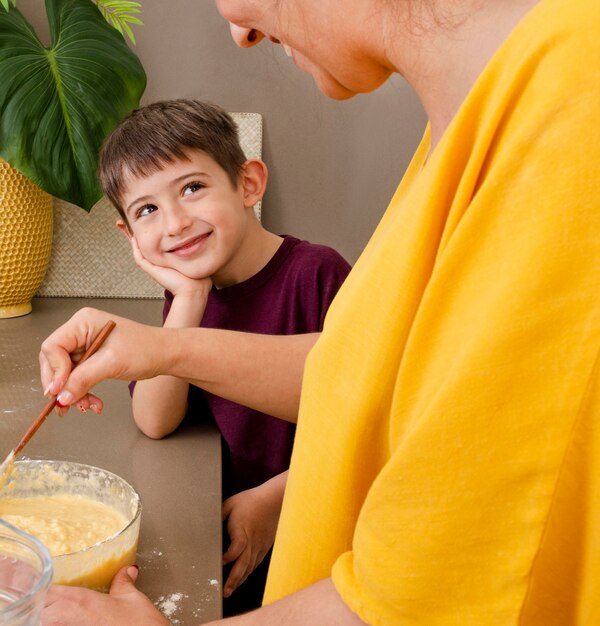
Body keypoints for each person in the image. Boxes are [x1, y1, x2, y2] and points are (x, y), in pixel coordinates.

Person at [40, 0, 600, 624]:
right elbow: (376, 381)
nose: (239, 30)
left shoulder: (573, 101)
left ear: (249, 183)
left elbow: (425, 596)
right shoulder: (482, 117)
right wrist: (161, 345)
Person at [93, 98, 350, 616]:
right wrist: (188, 300)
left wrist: (276, 498)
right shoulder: (189, 292)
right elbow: (155, 420)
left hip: (316, 527)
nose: (176, 222)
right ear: (131, 236)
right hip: (228, 532)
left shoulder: (319, 275)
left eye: (192, 188)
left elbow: (371, 415)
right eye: (148, 210)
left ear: (248, 183)